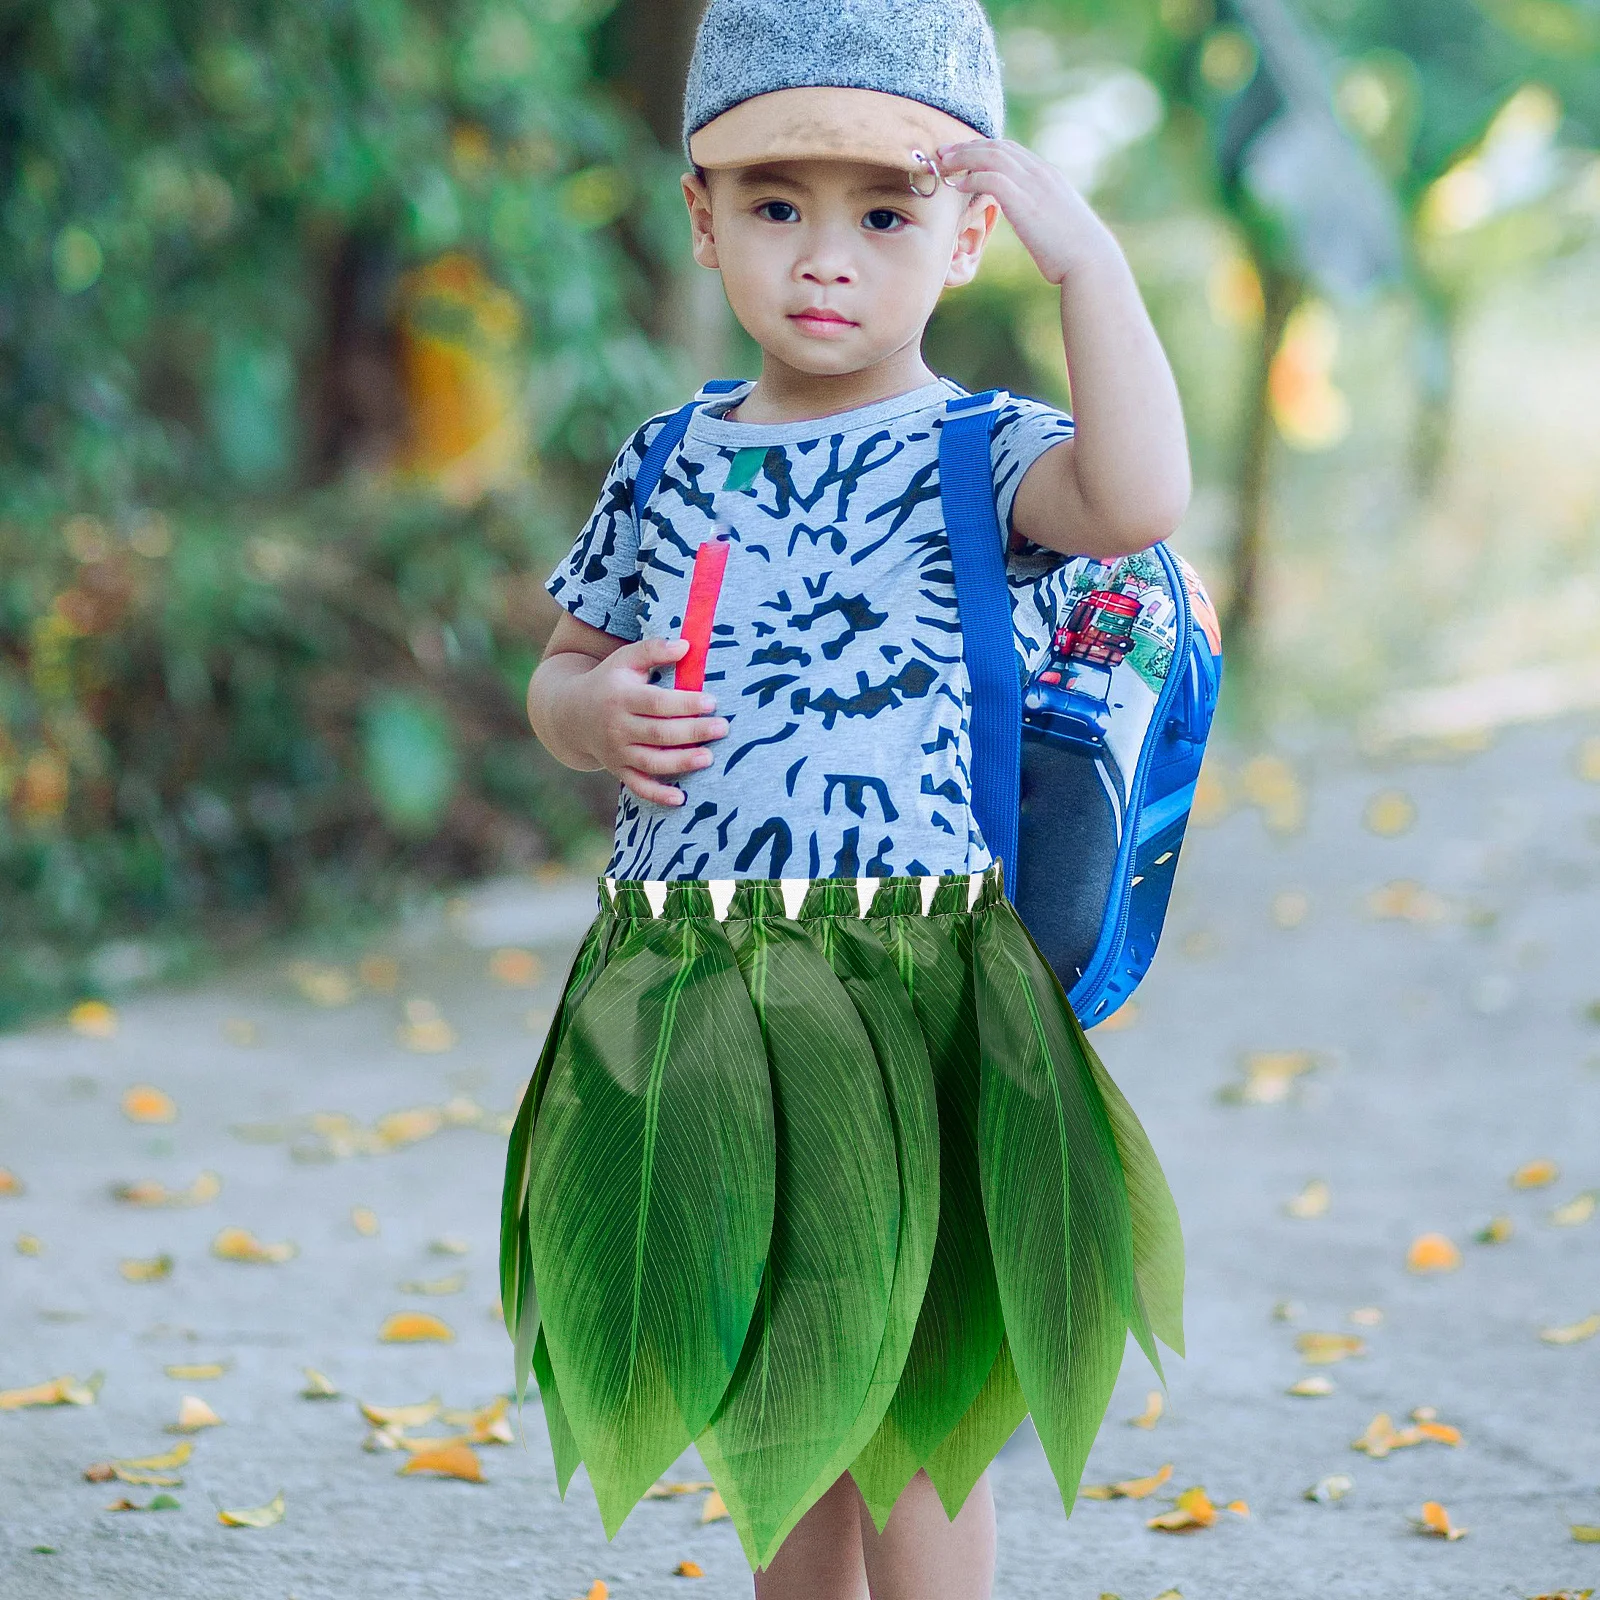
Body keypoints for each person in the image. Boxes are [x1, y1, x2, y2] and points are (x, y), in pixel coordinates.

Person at [504, 2, 1191, 1596]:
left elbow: (1139, 497)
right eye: (775, 206)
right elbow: (560, 672)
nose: (825, 260)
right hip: (701, 980)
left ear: (967, 237)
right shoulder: (667, 459)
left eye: (884, 214)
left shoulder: (985, 453)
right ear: (702, 217)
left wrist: (1092, 269)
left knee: (919, 1410)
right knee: (775, 1396)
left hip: (913, 983)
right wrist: (593, 715)